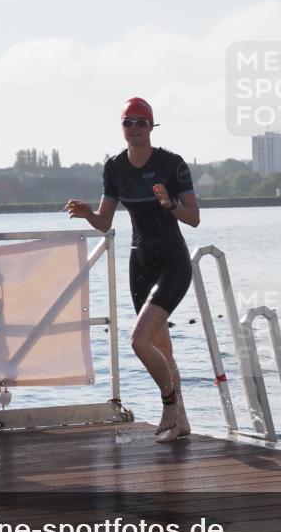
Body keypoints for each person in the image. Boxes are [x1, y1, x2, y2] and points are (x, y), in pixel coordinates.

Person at [65, 97, 200, 443]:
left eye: (142, 122)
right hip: (140, 263)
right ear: (122, 128)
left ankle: (169, 402)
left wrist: (169, 204)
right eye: (129, 122)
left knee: (139, 341)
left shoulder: (172, 164)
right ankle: (181, 421)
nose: (135, 128)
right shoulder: (114, 167)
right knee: (161, 346)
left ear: (152, 127)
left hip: (172, 260)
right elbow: (104, 221)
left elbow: (194, 218)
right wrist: (86, 214)